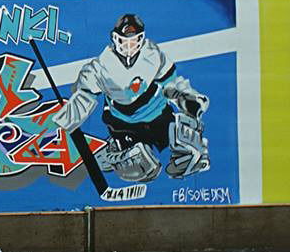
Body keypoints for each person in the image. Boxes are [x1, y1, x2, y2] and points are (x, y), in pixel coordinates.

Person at [53, 13, 210, 183]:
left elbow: (171, 83)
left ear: (141, 38)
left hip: (158, 115)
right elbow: (83, 99)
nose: (129, 46)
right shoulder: (100, 67)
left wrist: (186, 97)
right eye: (124, 41)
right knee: (141, 167)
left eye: (134, 40)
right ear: (115, 38)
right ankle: (112, 152)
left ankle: (185, 152)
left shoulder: (153, 54)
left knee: (188, 142)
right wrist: (64, 124)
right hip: (124, 124)